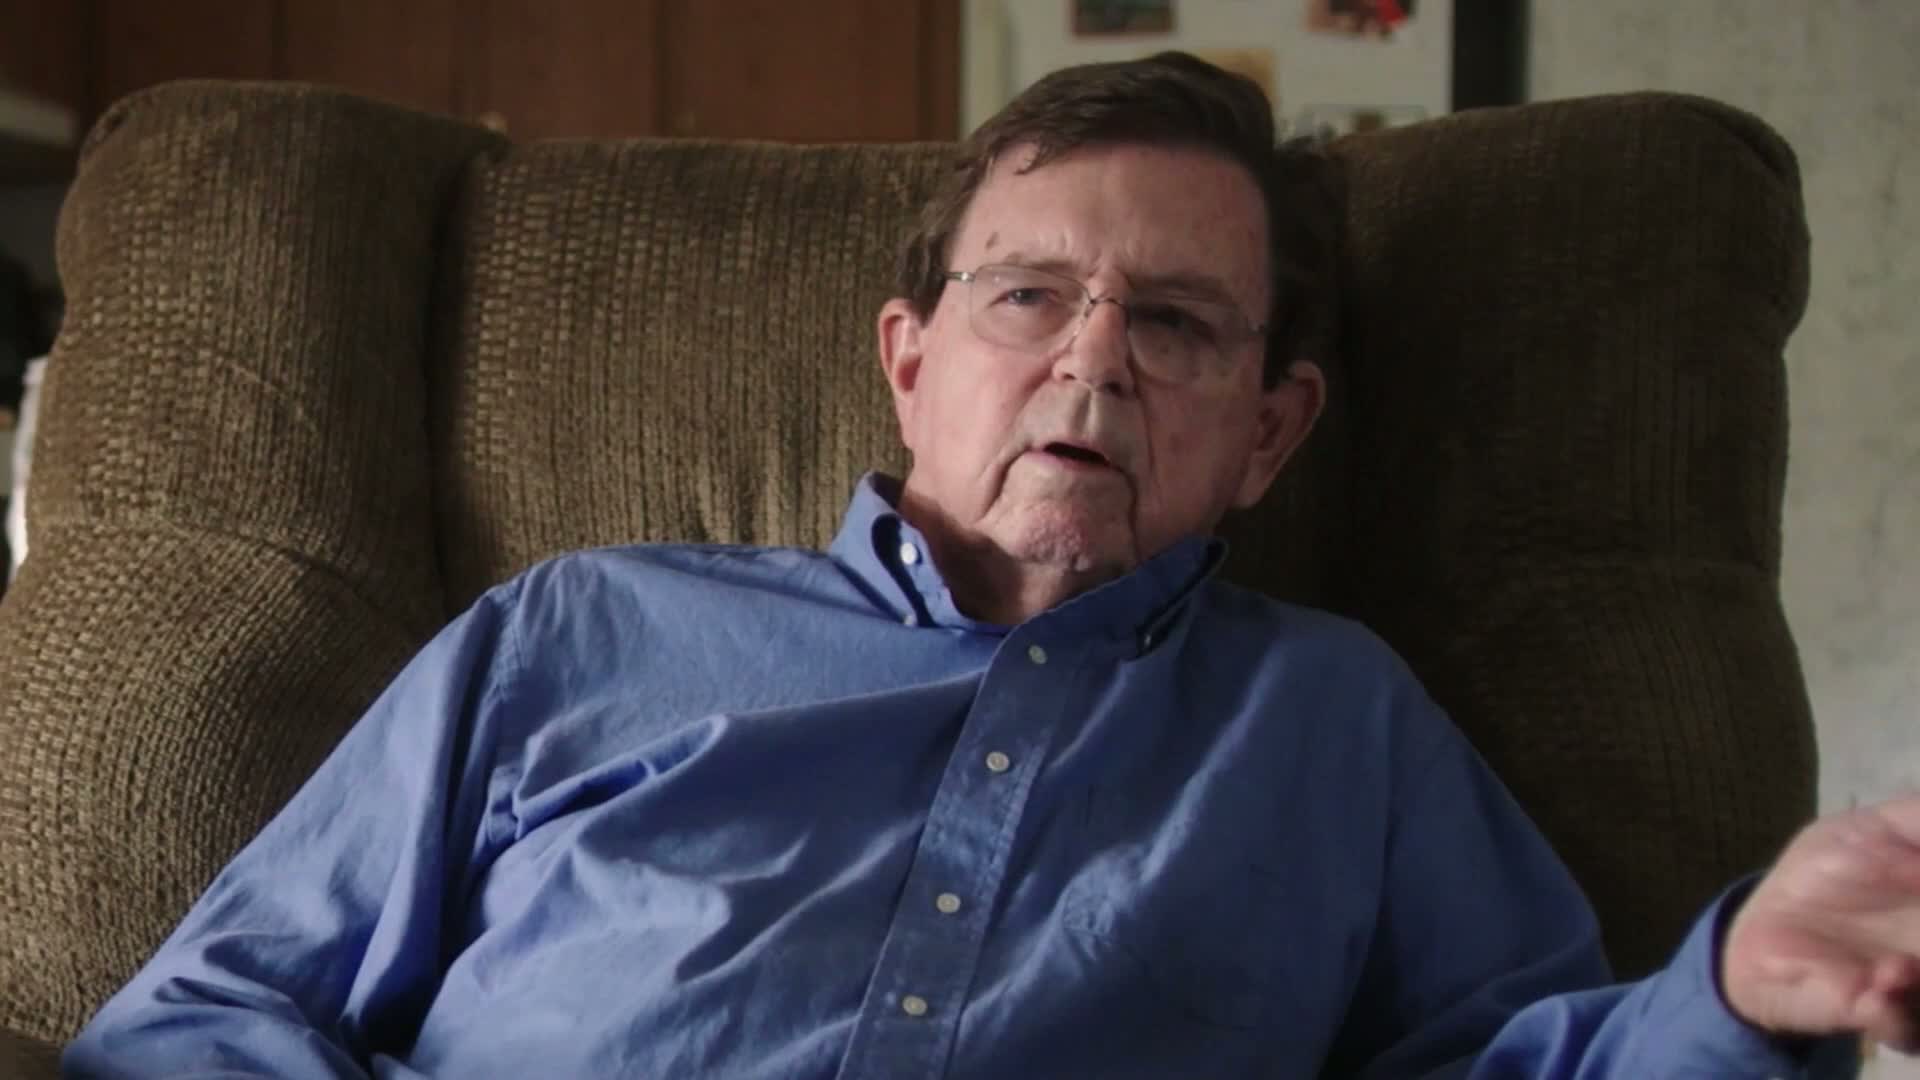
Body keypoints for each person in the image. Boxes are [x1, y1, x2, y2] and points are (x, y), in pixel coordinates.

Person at [65, 53, 1910, 1079]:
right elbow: (197, 1022)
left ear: (1272, 432)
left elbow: (1534, 1068)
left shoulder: (1337, 724)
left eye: (1176, 323)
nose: (1093, 363)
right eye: (1030, 296)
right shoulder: (581, 628)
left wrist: (1739, 984)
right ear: (912, 359)